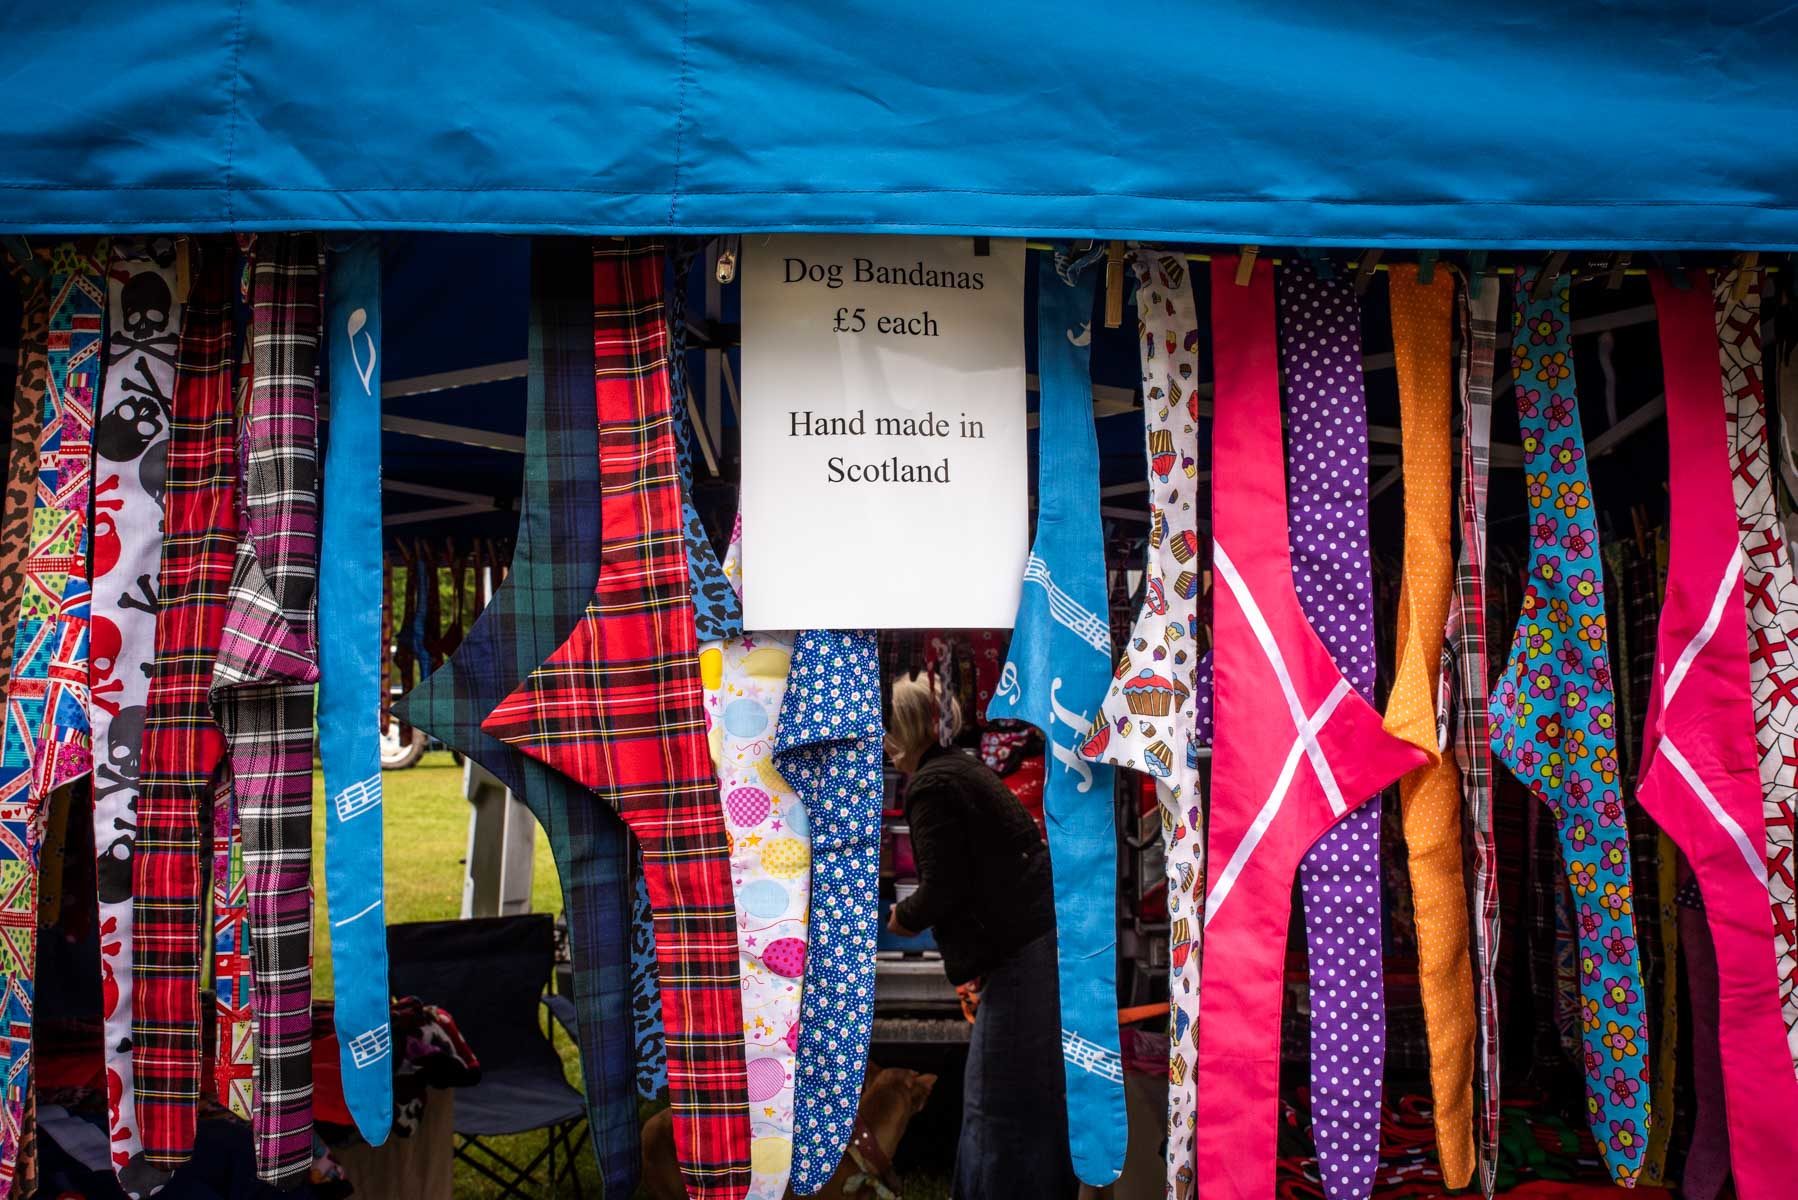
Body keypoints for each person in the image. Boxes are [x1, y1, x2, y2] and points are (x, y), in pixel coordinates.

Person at [884, 674, 1075, 1200]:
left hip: (1019, 953)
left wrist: (901, 919)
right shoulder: (959, 768)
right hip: (1029, 945)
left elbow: (943, 888)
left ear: (901, 733)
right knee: (1025, 1097)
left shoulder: (931, 786)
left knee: (995, 1100)